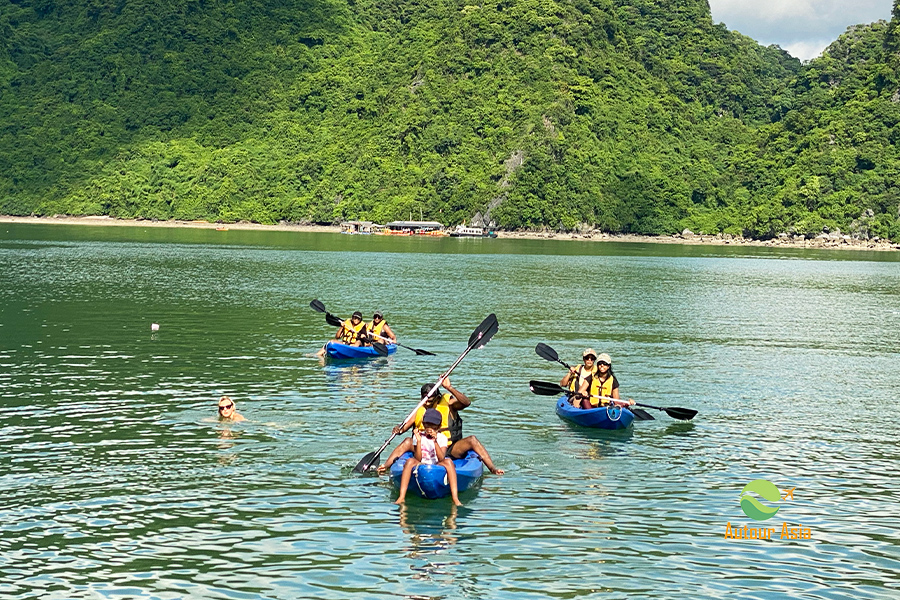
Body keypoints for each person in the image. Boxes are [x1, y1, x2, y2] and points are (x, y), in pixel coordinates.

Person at [377, 377, 504, 476]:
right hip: (424, 447)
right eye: (424, 399)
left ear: (437, 398)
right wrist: (398, 429)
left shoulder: (449, 403)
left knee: (472, 440)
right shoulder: (419, 408)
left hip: (448, 447)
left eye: (429, 400)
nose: (426, 403)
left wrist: (449, 388)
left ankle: (492, 469)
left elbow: (466, 402)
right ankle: (385, 466)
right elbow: (404, 427)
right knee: (407, 442)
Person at [394, 408, 462, 506]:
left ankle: (455, 498)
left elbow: (441, 458)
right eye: (427, 425)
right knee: (409, 462)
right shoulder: (419, 436)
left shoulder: (442, 438)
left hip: (436, 462)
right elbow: (418, 458)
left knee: (449, 463)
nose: (429, 428)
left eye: (433, 426)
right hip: (422, 462)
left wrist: (435, 441)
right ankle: (401, 496)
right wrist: (418, 441)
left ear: (438, 427)